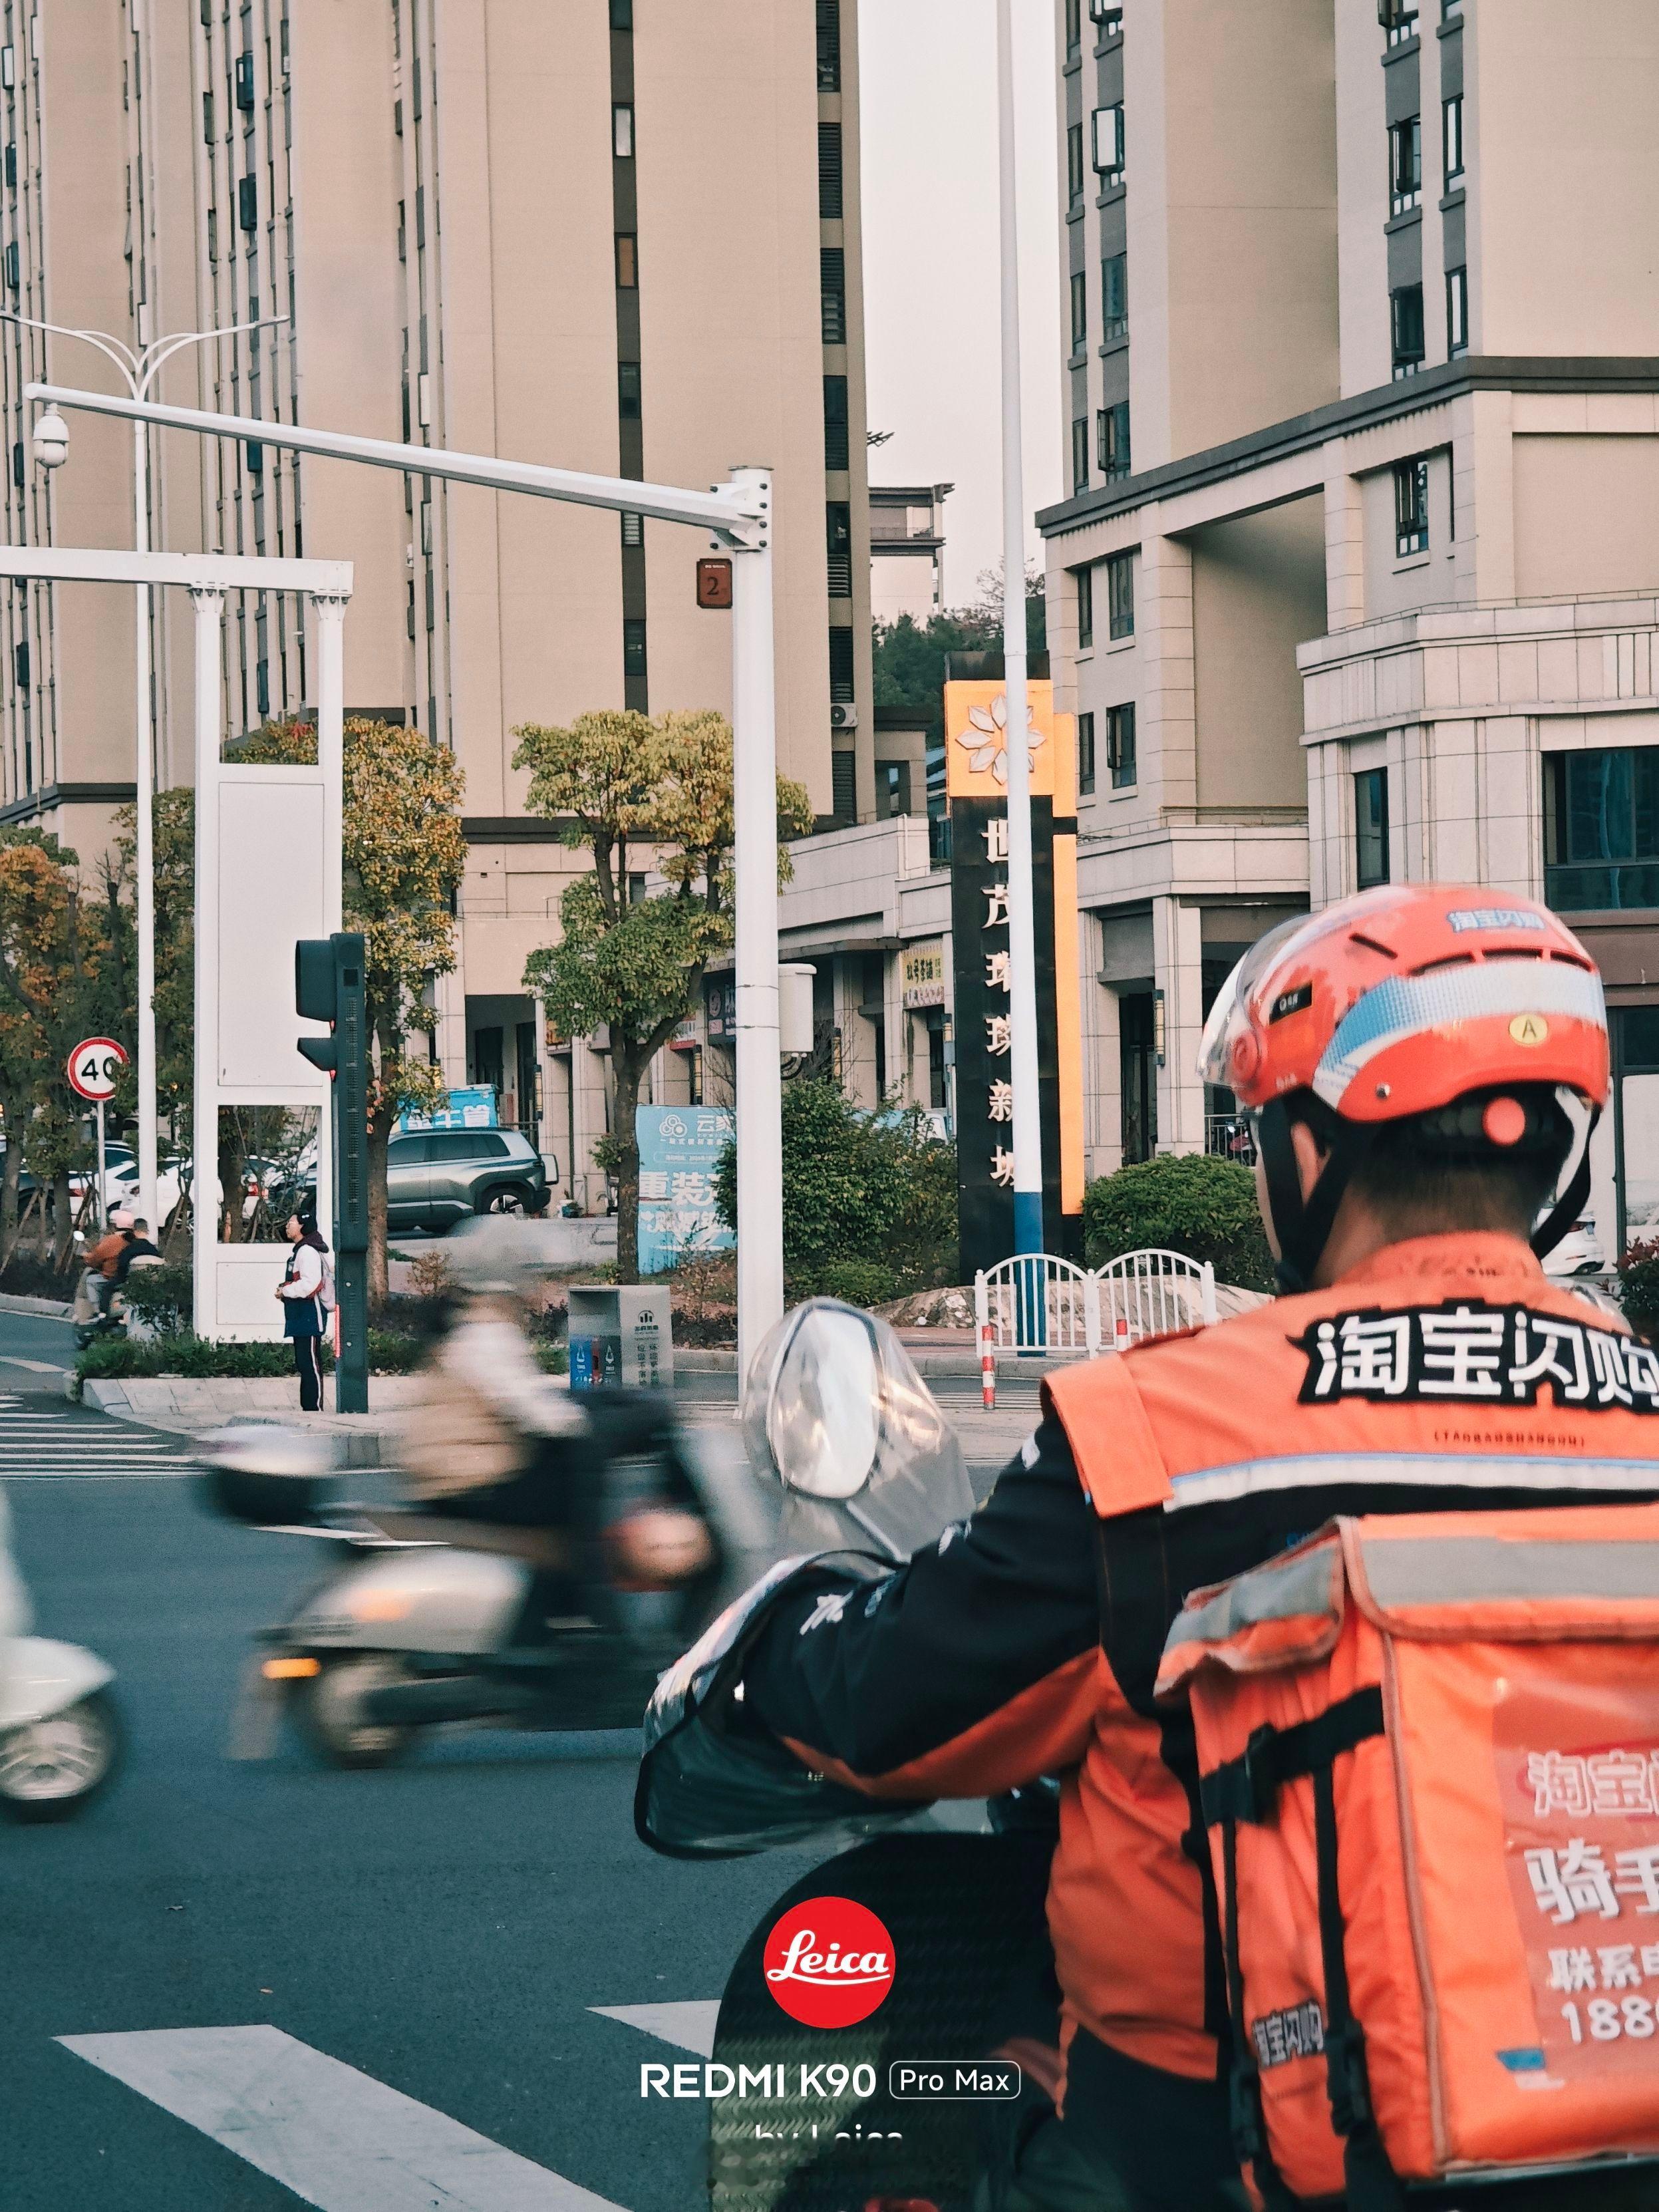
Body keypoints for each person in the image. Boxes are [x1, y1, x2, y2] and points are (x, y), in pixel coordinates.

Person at [727, 885, 1659, 2212]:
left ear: (1302, 1150)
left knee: (862, 2165)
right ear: (1553, 1160)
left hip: (1218, 2141)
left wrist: (770, 1655)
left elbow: (897, 1706)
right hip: (1614, 2120)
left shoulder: (1164, 1430)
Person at [275, 1211, 331, 1413]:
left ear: (302, 1227)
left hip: (310, 1314)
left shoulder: (307, 1251)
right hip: (300, 1315)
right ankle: (308, 1407)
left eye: (291, 1222)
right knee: (304, 1362)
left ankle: (314, 1408)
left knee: (310, 1363)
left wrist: (285, 1291)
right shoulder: (300, 1251)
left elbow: (310, 1284)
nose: (287, 1226)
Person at [83, 1209, 134, 1316]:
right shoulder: (135, 1240)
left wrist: (86, 1257)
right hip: (131, 1279)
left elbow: (95, 1259)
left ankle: (97, 1312)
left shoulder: (111, 1240)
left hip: (111, 1278)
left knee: (90, 1280)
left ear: (115, 1225)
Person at [111, 1217, 160, 1285]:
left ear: (134, 1231)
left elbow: (122, 1268)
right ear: (147, 1232)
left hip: (129, 1285)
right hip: (151, 1286)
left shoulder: (128, 1249)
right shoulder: (154, 1250)